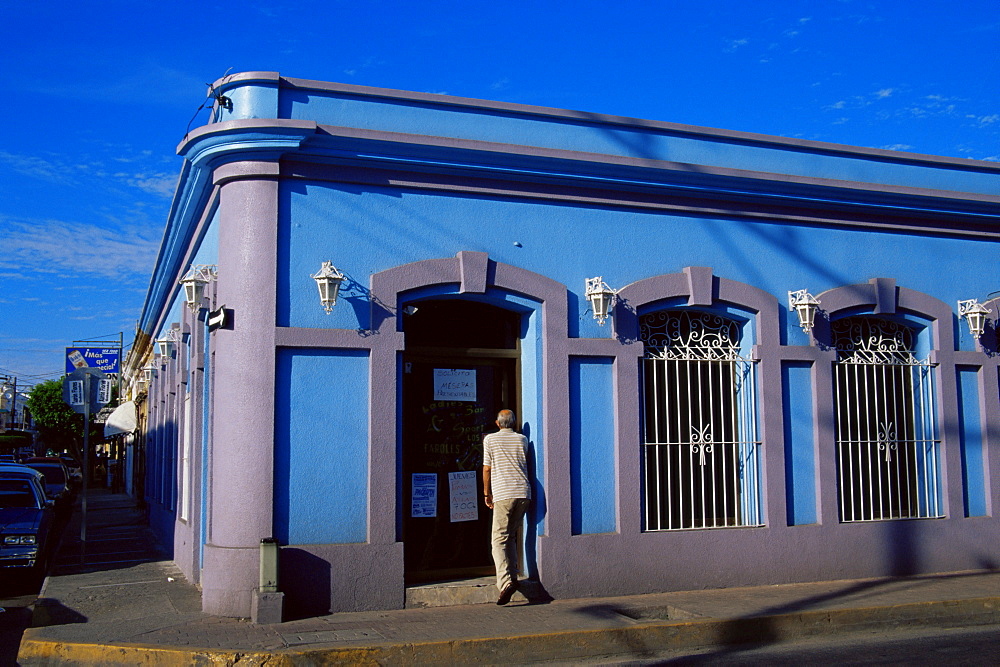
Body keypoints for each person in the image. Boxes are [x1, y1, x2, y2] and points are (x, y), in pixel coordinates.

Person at [482, 409, 531, 605]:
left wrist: (487, 493)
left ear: (498, 423)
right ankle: (514, 576)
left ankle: (504, 583)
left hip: (503, 493)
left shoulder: (490, 440)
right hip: (523, 492)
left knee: (498, 539)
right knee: (510, 536)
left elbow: (487, 468)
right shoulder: (522, 440)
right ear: (514, 422)